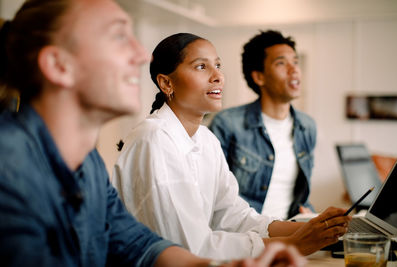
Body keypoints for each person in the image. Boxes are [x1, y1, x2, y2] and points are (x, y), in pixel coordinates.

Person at [0, 1, 307, 266]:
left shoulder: (88, 163)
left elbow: (138, 245)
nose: (141, 54)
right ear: (58, 65)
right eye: (119, 36)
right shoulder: (8, 168)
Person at [112, 32, 350, 261]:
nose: (218, 76)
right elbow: (190, 249)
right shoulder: (154, 139)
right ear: (166, 83)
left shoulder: (206, 139)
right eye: (201, 66)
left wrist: (315, 228)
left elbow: (234, 216)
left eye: (218, 65)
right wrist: (295, 244)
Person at [209, 30, 315, 220]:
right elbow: (211, 194)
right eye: (281, 63)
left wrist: (309, 215)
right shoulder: (227, 124)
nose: (294, 69)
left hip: (290, 235)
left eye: (295, 62)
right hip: (243, 237)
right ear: (259, 77)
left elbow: (300, 195)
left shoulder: (307, 126)